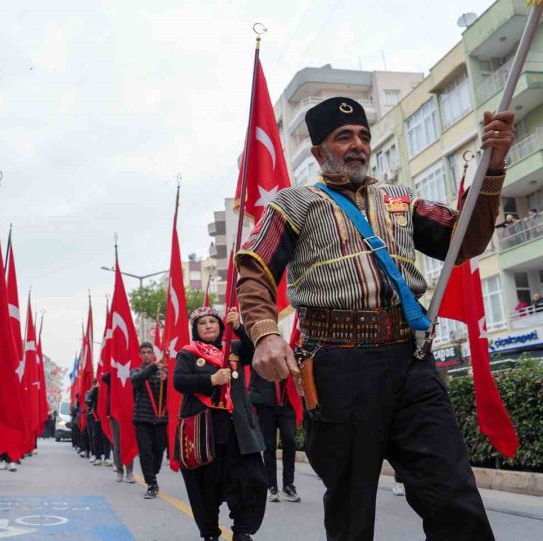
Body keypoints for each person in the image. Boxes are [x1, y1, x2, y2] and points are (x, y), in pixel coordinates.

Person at [236, 97, 514, 541]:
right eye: (343, 137)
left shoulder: (402, 200)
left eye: (363, 136)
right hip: (338, 367)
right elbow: (254, 269)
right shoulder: (293, 204)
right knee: (351, 510)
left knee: (454, 499)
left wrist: (494, 165)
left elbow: (465, 239)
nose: (357, 145)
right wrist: (266, 334)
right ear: (318, 152)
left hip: (413, 362)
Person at [174, 306, 267, 541]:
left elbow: (256, 349)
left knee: (250, 478)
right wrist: (211, 379)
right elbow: (179, 381)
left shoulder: (233, 348)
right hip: (204, 431)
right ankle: (210, 533)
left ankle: (242, 530)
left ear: (220, 325)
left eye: (213, 322)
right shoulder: (189, 353)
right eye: (202, 323)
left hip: (238, 429)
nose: (208, 326)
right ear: (195, 329)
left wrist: (239, 327)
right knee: (205, 485)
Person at [249, 367, 300, 503]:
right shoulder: (260, 347)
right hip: (266, 404)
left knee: (290, 441)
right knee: (269, 446)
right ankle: (272, 486)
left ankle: (288, 485)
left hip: (287, 403)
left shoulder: (291, 347)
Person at [131, 341, 169, 499]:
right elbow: (137, 381)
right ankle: (151, 483)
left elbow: (170, 395)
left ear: (153, 354)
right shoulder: (136, 371)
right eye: (144, 352)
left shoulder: (162, 372)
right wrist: (154, 366)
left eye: (149, 352)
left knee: (158, 452)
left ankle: (152, 473)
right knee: (145, 452)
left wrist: (165, 380)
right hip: (142, 419)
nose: (146, 355)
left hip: (160, 419)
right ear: (140, 355)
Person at [100, 369, 135, 482]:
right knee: (117, 445)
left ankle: (129, 472)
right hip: (115, 414)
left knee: (128, 443)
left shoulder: (132, 370)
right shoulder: (113, 373)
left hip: (128, 413)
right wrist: (115, 367)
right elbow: (104, 378)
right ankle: (120, 470)